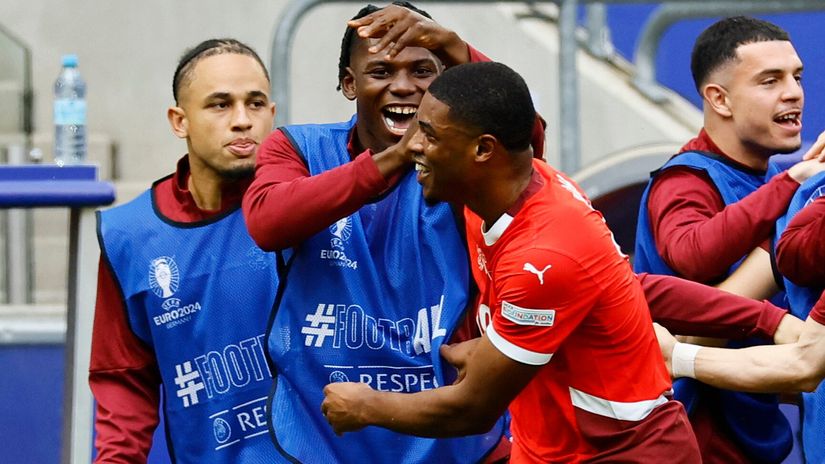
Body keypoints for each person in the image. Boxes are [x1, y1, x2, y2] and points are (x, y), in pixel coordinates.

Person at [321, 61, 702, 463]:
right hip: (549, 450)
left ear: (483, 149)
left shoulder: (544, 255)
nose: (413, 146)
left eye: (430, 135)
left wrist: (367, 406)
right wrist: (494, 346)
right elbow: (512, 111)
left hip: (624, 454)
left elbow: (472, 410)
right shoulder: (493, 192)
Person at [242, 3, 548, 462]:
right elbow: (268, 222)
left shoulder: (461, 164)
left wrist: (453, 45)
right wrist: (398, 156)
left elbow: (526, 139)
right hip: (324, 441)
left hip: (449, 445)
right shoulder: (298, 148)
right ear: (349, 83)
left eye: (423, 71)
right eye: (381, 71)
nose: (403, 86)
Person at [633, 16, 825, 463]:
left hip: (753, 428)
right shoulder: (684, 181)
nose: (793, 93)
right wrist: (791, 190)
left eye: (797, 77)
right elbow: (692, 254)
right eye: (770, 81)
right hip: (691, 434)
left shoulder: (778, 180)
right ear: (719, 99)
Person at [89, 39, 279, 462]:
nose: (242, 121)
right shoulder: (130, 236)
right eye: (220, 105)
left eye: (255, 104)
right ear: (180, 121)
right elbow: (124, 380)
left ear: (272, 114)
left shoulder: (306, 206)